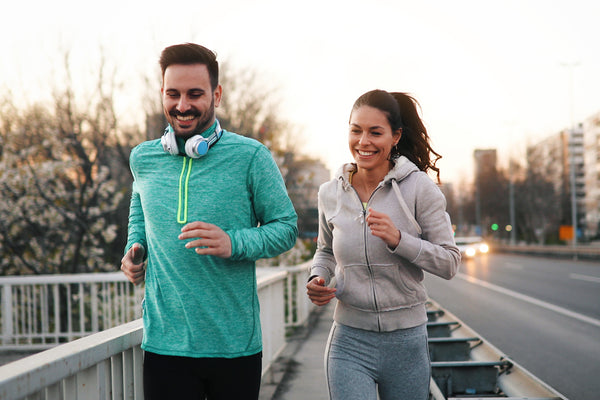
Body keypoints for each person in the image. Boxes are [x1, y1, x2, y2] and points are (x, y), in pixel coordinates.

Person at [120, 43, 298, 400]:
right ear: (162, 94)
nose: (182, 106)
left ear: (216, 94)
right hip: (164, 346)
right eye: (173, 94)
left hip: (235, 348)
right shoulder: (143, 157)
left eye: (195, 94)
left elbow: (286, 227)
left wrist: (234, 243)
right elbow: (139, 206)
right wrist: (134, 247)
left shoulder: (251, 156)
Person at [306, 89, 460, 400]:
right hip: (349, 341)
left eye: (375, 132)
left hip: (407, 344)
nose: (363, 142)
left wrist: (400, 240)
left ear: (395, 137)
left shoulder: (419, 190)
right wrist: (317, 277)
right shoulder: (330, 193)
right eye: (356, 130)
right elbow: (324, 250)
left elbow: (449, 262)